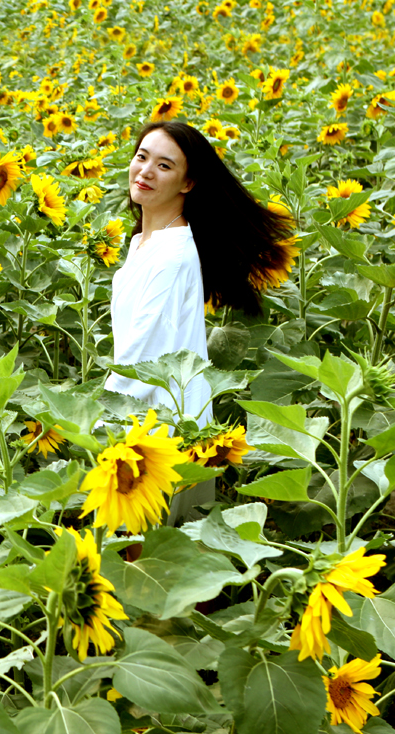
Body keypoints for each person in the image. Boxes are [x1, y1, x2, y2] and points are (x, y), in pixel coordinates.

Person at [103, 121, 295, 520]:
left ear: (188, 183)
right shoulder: (146, 241)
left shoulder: (172, 256)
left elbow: (139, 364)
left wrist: (89, 420)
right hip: (146, 420)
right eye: (142, 157)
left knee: (151, 560)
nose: (145, 171)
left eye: (164, 166)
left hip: (157, 434)